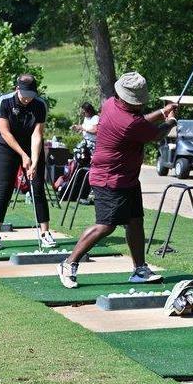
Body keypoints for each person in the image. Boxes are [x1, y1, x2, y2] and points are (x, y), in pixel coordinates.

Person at [56, 71, 178, 289]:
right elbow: (154, 133)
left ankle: (139, 269)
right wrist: (170, 120)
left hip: (126, 177)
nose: (139, 104)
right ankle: (68, 263)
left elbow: (139, 122)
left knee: (134, 220)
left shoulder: (111, 103)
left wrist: (161, 112)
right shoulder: (129, 123)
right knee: (106, 226)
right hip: (109, 178)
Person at [0, 74, 57, 250]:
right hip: (6, 146)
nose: (27, 98)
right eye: (24, 94)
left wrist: (33, 160)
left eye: (31, 94)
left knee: (37, 187)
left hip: (31, 145)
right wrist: (23, 156)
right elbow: (5, 132)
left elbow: (37, 134)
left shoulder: (40, 104)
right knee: (4, 188)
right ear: (17, 89)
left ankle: (45, 233)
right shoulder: (4, 101)